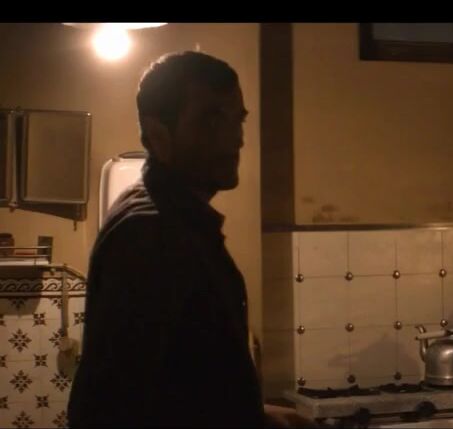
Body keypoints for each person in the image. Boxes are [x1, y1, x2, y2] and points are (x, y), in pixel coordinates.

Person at [68, 51, 308, 428]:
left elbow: (180, 386)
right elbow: (122, 405)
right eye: (211, 120)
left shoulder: (175, 220)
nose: (236, 138)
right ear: (158, 134)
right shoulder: (152, 234)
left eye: (238, 120)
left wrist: (259, 417)